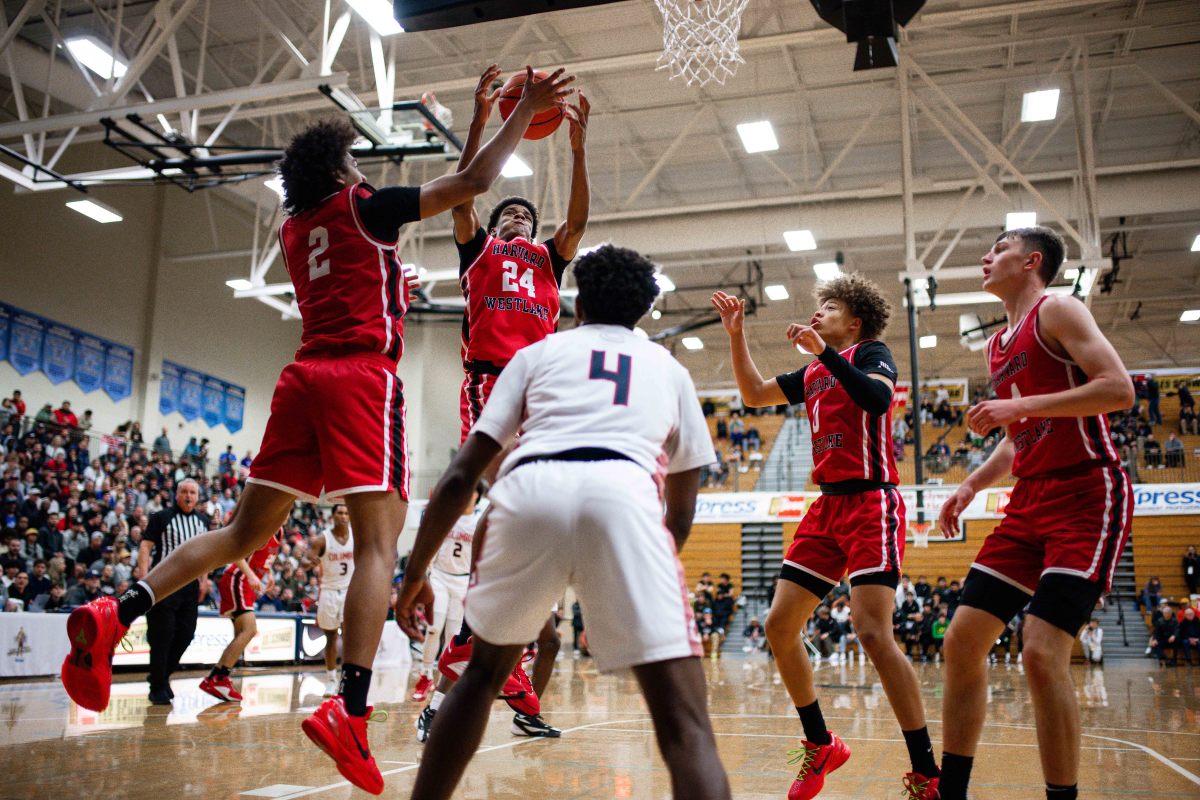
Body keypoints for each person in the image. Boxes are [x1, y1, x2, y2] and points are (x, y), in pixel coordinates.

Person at [59, 66, 574, 797]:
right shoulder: (364, 205)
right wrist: (518, 109)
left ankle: (119, 610)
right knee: (378, 546)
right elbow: (474, 180)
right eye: (355, 161)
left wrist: (400, 277)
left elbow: (388, 247)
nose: (364, 168)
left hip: (301, 376)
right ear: (340, 168)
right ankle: (351, 711)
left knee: (240, 533)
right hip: (361, 379)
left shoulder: (295, 223)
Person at [395, 244, 731, 800]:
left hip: (530, 489)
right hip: (626, 494)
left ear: (576, 304)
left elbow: (459, 479)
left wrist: (413, 576)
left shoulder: (538, 353)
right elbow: (684, 509)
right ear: (644, 311)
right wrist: (636, 573)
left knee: (479, 678)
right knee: (686, 726)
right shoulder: (670, 370)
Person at [712, 273, 940, 800]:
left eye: (830, 307)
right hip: (827, 507)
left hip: (871, 502)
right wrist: (735, 334)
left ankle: (927, 773)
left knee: (873, 632)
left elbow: (877, 402)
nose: (819, 313)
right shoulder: (815, 367)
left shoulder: (869, 353)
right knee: (778, 624)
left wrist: (824, 353)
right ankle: (822, 744)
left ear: (854, 321)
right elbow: (751, 395)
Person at [937, 226, 1135, 800]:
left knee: (1041, 652)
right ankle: (952, 791)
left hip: (1085, 494)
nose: (985, 256)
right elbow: (1019, 435)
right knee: (962, 640)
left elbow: (1117, 388)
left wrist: (1018, 404)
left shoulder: (1059, 309)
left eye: (997, 249)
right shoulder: (997, 344)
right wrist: (970, 485)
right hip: (1028, 500)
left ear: (1032, 261)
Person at [426, 64, 592, 737]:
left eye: (527, 212)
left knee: (542, 516)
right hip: (490, 381)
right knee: (513, 499)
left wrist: (579, 150)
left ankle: (496, 661)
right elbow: (465, 192)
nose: (519, 214)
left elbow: (578, 219)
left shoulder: (551, 260)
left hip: (541, 388)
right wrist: (475, 124)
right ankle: (467, 654)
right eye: (509, 211)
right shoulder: (481, 251)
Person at [200, 529, 283, 702]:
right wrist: (251, 575)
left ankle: (217, 676)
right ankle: (219, 678)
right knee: (249, 630)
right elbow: (235, 553)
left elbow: (263, 556)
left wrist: (269, 573)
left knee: (241, 633)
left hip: (245, 582)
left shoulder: (279, 530)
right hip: (238, 579)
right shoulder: (264, 525)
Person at [412, 490, 478, 703]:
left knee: (453, 634)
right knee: (433, 627)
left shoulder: (478, 522)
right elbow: (430, 546)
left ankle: (445, 681)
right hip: (440, 576)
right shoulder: (448, 517)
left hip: (463, 580)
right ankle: (425, 675)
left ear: (476, 495)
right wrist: (427, 577)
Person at [308, 503, 354, 697]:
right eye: (340, 513)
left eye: (346, 513)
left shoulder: (356, 536)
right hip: (328, 590)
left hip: (349, 589)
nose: (343, 516)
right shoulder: (322, 539)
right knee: (331, 637)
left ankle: (347, 679)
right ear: (332, 516)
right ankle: (331, 680)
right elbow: (308, 556)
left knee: (351, 637)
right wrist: (309, 561)